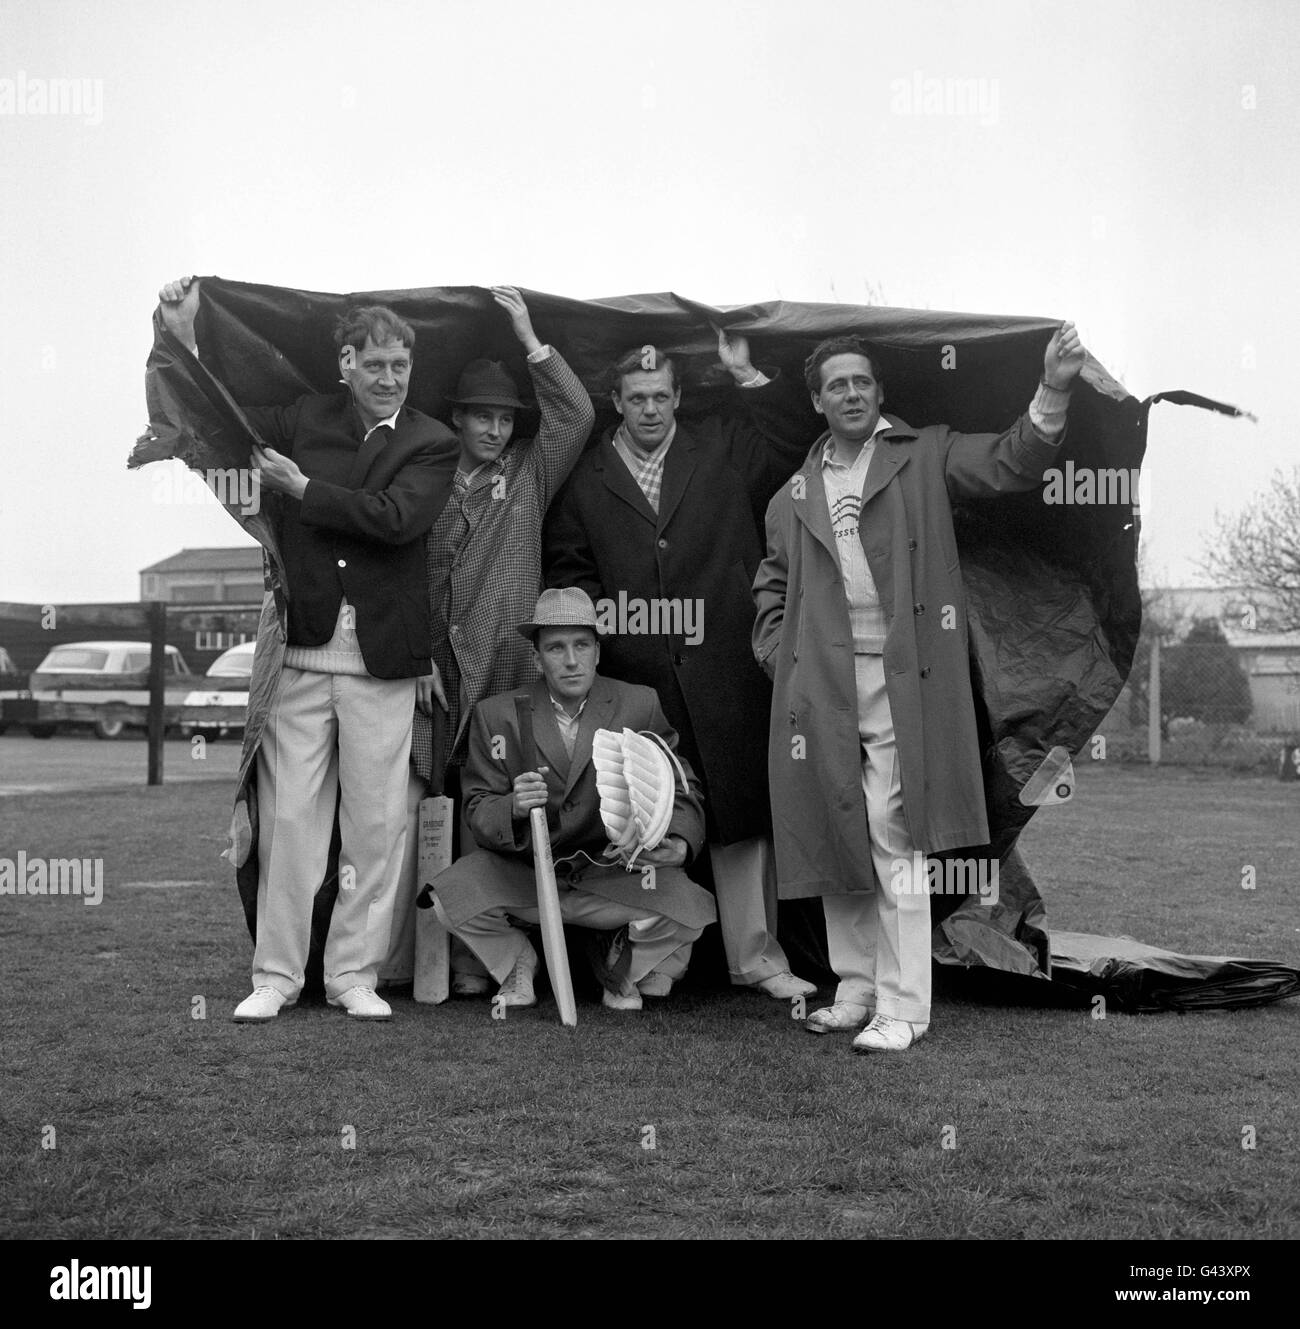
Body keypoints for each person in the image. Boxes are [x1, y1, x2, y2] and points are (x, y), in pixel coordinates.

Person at [752, 323, 1086, 1051]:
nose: (850, 393)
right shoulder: (792, 494)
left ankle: (903, 1005)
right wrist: (788, 660)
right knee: (838, 836)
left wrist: (1053, 386)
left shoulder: (923, 453)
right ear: (816, 400)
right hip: (824, 691)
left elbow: (1011, 460)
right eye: (836, 384)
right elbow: (769, 588)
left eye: (861, 382)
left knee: (891, 835)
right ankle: (857, 985)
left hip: (906, 683)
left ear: (880, 393)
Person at [156, 276, 459, 1023]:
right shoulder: (299, 417)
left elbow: (394, 520)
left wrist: (301, 489)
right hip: (301, 654)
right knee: (290, 821)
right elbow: (216, 415)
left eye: (401, 367)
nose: (389, 379)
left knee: (377, 826)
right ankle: (277, 976)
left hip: (386, 663)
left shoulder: (433, 441)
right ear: (346, 364)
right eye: (376, 364)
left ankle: (352, 974)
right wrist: (185, 333)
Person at [542, 336, 815, 999]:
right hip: (639, 682)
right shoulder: (587, 478)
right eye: (636, 399)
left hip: (727, 667)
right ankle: (663, 959)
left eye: (662, 396)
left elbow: (792, 445)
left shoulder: (722, 443)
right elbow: (572, 579)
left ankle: (758, 959)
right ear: (615, 402)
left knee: (740, 814)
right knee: (652, 815)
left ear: (680, 397)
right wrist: (613, 625)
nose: (651, 410)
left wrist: (748, 372)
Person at [383, 286, 595, 992]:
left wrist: (529, 333)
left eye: (505, 418)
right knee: (425, 804)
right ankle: (421, 957)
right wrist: (414, 658)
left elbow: (579, 412)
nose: (496, 429)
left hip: (505, 667)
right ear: (457, 418)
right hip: (435, 671)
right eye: (482, 415)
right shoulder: (426, 472)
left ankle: (497, 957)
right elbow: (400, 568)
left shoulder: (531, 471)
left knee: (499, 806)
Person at [426, 587, 716, 1011]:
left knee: (687, 908)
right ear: (537, 656)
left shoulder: (638, 703)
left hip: (612, 875)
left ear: (598, 652)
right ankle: (516, 962)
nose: (571, 659)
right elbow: (477, 806)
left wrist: (679, 840)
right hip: (525, 875)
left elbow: (681, 785)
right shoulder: (497, 714)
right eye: (556, 647)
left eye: (582, 645)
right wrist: (512, 806)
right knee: (447, 899)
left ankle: (621, 964)